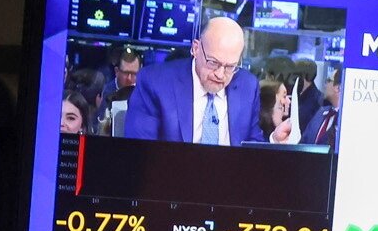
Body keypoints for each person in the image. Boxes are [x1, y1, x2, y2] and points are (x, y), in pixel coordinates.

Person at [122, 14, 298, 145]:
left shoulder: (247, 86)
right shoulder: (156, 82)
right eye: (213, 62)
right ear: (196, 49)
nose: (220, 74)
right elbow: (141, 152)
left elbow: (250, 146)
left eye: (230, 66)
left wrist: (273, 141)